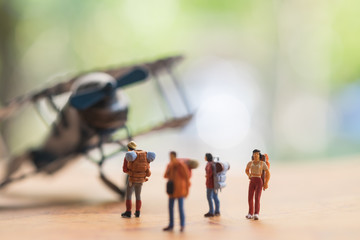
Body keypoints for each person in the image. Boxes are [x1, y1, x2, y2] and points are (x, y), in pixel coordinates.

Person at [121, 141, 155, 218]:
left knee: (129, 196)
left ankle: (128, 212)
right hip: (141, 180)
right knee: (138, 196)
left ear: (128, 148)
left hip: (132, 180)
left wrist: (131, 173)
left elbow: (124, 170)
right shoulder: (144, 156)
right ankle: (138, 212)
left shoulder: (128, 157)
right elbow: (148, 170)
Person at [163, 151, 191, 232]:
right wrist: (169, 170)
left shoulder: (180, 165)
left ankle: (182, 225)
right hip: (172, 190)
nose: (170, 158)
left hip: (179, 190)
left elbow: (186, 177)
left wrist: (187, 190)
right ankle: (171, 225)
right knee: (171, 208)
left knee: (180, 208)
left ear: (174, 156)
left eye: (171, 156)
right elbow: (165, 175)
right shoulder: (170, 165)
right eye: (170, 156)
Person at [245, 149, 270, 220]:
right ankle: (250, 213)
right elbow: (246, 170)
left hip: (259, 181)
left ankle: (256, 213)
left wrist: (266, 183)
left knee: (257, 198)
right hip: (252, 180)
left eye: (257, 154)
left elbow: (268, 173)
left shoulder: (262, 163)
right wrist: (248, 175)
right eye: (254, 154)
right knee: (250, 197)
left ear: (259, 155)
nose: (256, 155)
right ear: (253, 155)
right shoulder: (250, 163)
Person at [204, 153, 220, 217]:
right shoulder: (213, 163)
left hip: (210, 184)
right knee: (215, 197)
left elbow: (209, 173)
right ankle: (217, 211)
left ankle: (211, 211)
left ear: (207, 157)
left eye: (205, 157)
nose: (204, 158)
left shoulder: (209, 164)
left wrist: (207, 176)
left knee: (209, 197)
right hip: (215, 183)